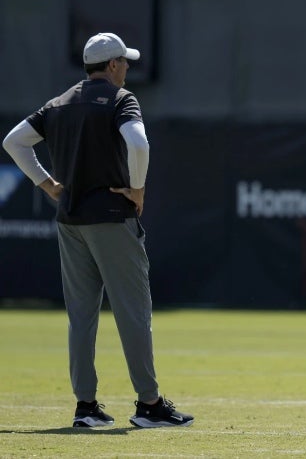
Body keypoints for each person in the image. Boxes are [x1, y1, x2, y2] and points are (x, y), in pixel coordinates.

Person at [2, 32, 193, 428]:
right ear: (111, 66)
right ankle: (149, 404)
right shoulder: (122, 100)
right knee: (133, 312)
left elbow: (14, 142)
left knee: (81, 316)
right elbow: (139, 145)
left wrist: (46, 184)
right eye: (124, 62)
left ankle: (85, 407)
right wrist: (138, 188)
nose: (127, 68)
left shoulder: (59, 103)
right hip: (111, 217)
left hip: (70, 220)